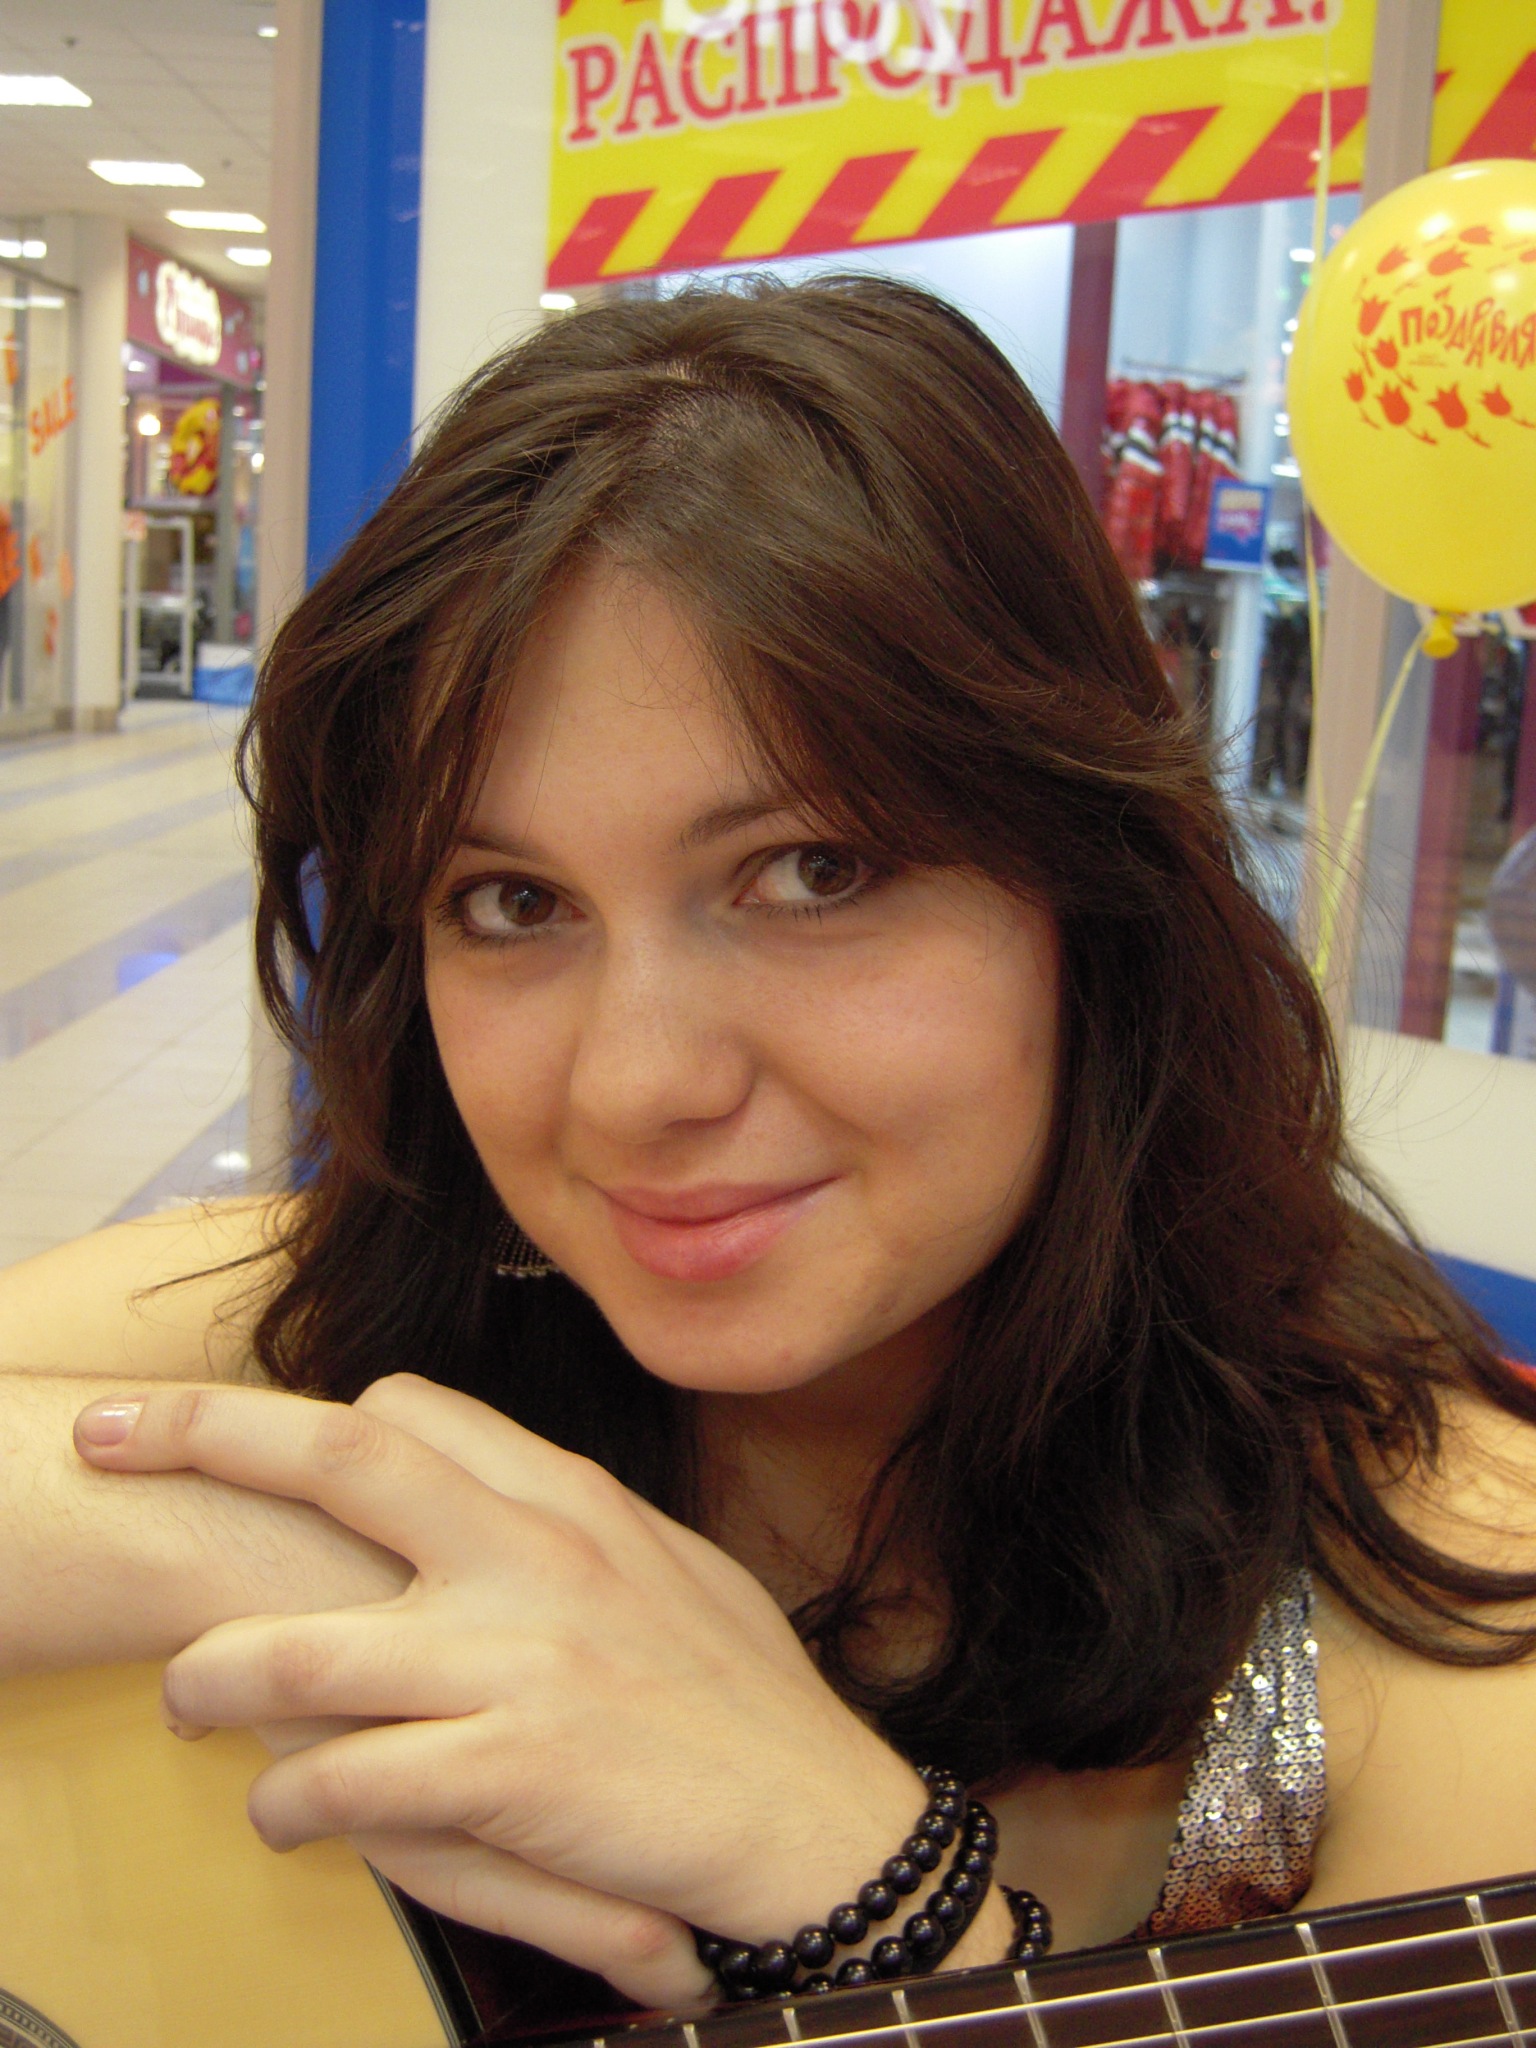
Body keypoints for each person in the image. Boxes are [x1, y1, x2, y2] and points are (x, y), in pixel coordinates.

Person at [4, 276, 1536, 2023]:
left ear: (1094, 895)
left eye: (814, 872)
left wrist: (880, 1905)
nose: (635, 1085)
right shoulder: (403, 1317)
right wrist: (315, 1550)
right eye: (511, 903)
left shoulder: (1449, 1617)